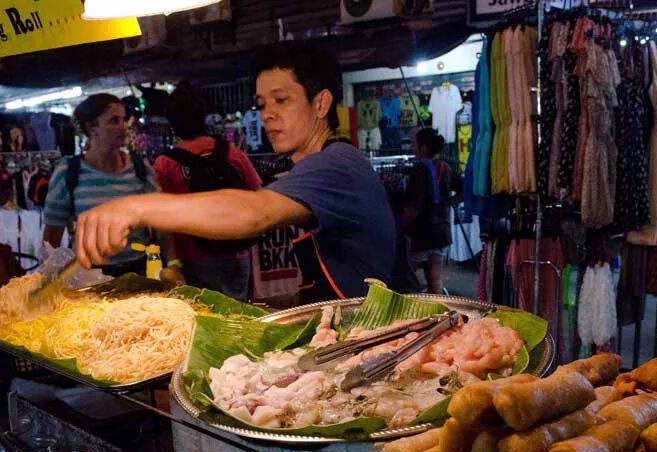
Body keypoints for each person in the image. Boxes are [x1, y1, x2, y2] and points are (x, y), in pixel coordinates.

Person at [73, 42, 398, 303]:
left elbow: (253, 211)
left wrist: (134, 207)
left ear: (321, 104)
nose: (268, 115)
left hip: (380, 347)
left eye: (282, 100)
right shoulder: (313, 166)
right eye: (262, 104)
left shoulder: (336, 164)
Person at [153, 82, 263, 299]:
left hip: (192, 255)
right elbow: (258, 195)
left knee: (202, 316)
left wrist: (172, 261)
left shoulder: (165, 164)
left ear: (172, 122)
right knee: (238, 314)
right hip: (237, 250)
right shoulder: (231, 152)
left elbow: (163, 222)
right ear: (203, 116)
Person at [42, 93, 159, 276]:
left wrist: (174, 263)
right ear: (92, 128)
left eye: (123, 119)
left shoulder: (140, 168)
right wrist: (50, 276)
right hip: (90, 278)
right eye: (114, 121)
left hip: (139, 273)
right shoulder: (68, 172)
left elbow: (160, 222)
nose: (123, 126)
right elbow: (52, 235)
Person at [401, 128, 457, 294]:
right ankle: (439, 316)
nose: (412, 147)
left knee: (406, 280)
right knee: (435, 279)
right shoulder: (446, 168)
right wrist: (446, 204)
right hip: (441, 233)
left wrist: (398, 227)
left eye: (414, 144)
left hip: (421, 235)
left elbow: (413, 208)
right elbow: (462, 190)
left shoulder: (419, 169)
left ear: (423, 147)